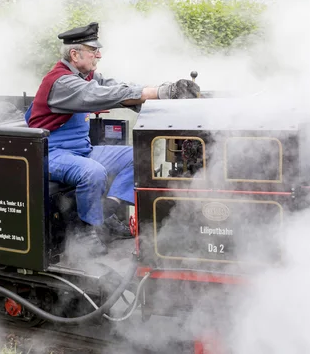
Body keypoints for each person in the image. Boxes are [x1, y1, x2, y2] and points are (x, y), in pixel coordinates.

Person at [25, 21, 199, 256]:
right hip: (51, 153)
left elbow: (119, 88)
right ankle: (84, 228)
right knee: (92, 172)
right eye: (93, 50)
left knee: (139, 154)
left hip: (81, 150)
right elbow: (103, 95)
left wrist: (165, 94)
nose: (99, 55)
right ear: (75, 54)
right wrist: (159, 92)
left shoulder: (87, 76)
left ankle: (109, 210)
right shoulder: (62, 82)